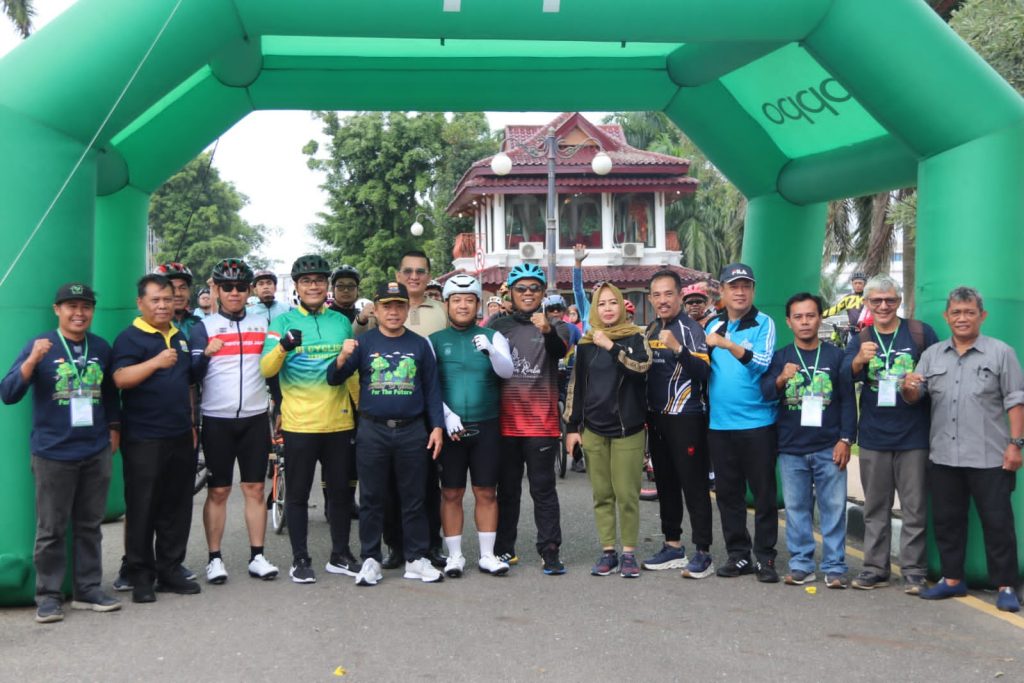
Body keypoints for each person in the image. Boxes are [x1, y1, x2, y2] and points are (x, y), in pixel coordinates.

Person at [1, 283, 122, 623]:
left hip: (95, 449)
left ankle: (88, 590)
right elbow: (8, 393)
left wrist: (114, 428)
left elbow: (111, 394)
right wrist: (31, 361)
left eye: (85, 306)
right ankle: (49, 596)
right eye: (71, 306)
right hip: (53, 452)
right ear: (57, 310)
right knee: (51, 528)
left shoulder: (101, 347)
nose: (79, 313)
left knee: (89, 525)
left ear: (92, 311)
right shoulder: (41, 345)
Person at [902, 287, 1023, 612]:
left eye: (969, 312)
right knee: (947, 521)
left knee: (998, 523)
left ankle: (1007, 585)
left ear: (981, 316)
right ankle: (952, 580)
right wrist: (909, 389)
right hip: (943, 456)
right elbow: (917, 397)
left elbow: (1015, 400)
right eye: (956, 312)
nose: (962, 318)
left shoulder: (1001, 353)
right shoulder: (932, 356)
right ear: (947, 316)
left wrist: (1016, 444)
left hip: (989, 456)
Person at [328, 281, 446, 586]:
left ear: (407, 309)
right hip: (372, 430)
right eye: (386, 306)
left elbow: (432, 389)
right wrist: (342, 356)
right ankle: (370, 558)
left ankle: (416, 557)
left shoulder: (420, 345)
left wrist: (436, 427)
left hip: (412, 431)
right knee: (371, 497)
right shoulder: (364, 343)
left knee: (414, 497)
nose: (393, 312)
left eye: (399, 306)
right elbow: (334, 378)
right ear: (376, 310)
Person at [259, 255, 357, 584]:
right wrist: (284, 348)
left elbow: (350, 372)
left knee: (341, 493)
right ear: (297, 287)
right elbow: (266, 369)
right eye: (306, 281)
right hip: (300, 423)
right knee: (298, 495)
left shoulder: (341, 322)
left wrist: (361, 410)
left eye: (318, 280)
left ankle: (340, 555)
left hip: (339, 422)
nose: (313, 285)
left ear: (325, 285)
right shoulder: (282, 323)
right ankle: (300, 558)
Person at [842, 275, 937, 594]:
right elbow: (844, 377)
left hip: (914, 436)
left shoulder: (920, 333)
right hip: (873, 436)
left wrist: (917, 388)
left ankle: (913, 570)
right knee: (875, 507)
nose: (884, 306)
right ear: (867, 304)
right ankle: (875, 567)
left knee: (914, 506)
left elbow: (936, 377)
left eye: (890, 300)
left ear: (900, 302)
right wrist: (858, 359)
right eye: (877, 301)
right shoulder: (862, 336)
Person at [190, 259, 279, 584]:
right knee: (219, 491)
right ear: (216, 289)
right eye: (227, 287)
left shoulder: (262, 324)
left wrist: (279, 409)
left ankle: (257, 555)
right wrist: (206, 355)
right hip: (217, 420)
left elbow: (274, 368)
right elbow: (191, 375)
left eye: (241, 287)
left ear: (249, 290)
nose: (235, 293)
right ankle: (215, 559)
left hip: (255, 419)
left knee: (255, 488)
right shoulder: (204, 327)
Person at [111, 274, 198, 603]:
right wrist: (155, 362)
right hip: (144, 438)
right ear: (141, 303)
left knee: (177, 506)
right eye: (155, 300)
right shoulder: (130, 338)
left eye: (167, 299)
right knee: (143, 507)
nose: (162, 305)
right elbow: (120, 378)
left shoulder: (180, 336)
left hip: (179, 434)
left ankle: (170, 569)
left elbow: (187, 385)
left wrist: (191, 422)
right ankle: (141, 574)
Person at [762, 293, 856, 589]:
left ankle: (834, 565)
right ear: (789, 322)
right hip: (791, 448)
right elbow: (766, 392)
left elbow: (847, 402)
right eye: (799, 317)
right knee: (796, 509)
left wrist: (845, 439)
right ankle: (801, 563)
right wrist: (780, 379)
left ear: (820, 318)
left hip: (829, 446)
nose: (805, 322)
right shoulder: (781, 356)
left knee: (833, 508)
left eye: (810, 316)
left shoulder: (836, 356)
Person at [365, 251, 448, 570]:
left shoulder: (441, 310)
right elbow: (359, 349)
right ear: (398, 275)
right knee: (385, 489)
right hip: (385, 410)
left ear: (428, 276)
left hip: (428, 406)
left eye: (421, 271)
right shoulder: (383, 309)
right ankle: (395, 546)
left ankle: (430, 545)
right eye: (408, 271)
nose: (414, 276)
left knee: (426, 485)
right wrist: (362, 320)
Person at [563, 283, 652, 578]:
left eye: (613, 303)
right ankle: (608, 551)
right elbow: (576, 386)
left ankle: (628, 552)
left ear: (622, 305)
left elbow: (641, 369)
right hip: (594, 429)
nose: (608, 309)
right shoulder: (587, 343)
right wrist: (573, 427)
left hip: (628, 428)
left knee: (626, 494)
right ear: (595, 309)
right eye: (602, 304)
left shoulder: (636, 337)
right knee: (602, 494)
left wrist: (612, 347)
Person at [430, 275, 514, 577]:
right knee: (451, 492)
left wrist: (491, 351)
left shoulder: (492, 335)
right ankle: (454, 556)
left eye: (469, 300)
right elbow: (429, 386)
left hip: (487, 424)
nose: (463, 305)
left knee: (486, 491)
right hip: (451, 427)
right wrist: (446, 415)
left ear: (478, 304)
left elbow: (507, 372)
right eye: (456, 300)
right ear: (447, 304)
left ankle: (488, 555)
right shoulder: (435, 341)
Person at [489, 263, 570, 574]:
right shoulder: (499, 325)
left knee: (543, 489)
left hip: (541, 423)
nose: (527, 294)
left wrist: (546, 330)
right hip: (505, 423)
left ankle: (550, 550)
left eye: (534, 289)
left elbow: (560, 351)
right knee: (507, 490)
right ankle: (503, 548)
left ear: (543, 294)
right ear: (510, 293)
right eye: (521, 289)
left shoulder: (556, 325)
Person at [704, 263, 780, 582]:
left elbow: (761, 364)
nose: (740, 291)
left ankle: (765, 557)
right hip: (720, 425)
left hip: (758, 423)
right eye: (733, 286)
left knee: (763, 493)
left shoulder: (764, 323)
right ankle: (738, 555)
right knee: (728, 494)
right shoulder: (713, 324)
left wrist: (729, 345)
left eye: (746, 286)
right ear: (721, 291)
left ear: (753, 290)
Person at [641, 270, 715, 579]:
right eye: (656, 295)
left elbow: (704, 372)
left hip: (686, 417)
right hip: (657, 419)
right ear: (651, 299)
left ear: (679, 296)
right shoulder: (650, 328)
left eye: (668, 294)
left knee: (693, 485)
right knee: (666, 484)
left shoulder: (690, 329)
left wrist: (677, 348)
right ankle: (673, 546)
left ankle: (703, 552)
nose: (662, 300)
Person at [153, 262, 202, 341]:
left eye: (182, 288)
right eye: (172, 288)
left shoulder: (198, 323)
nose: (178, 294)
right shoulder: (149, 326)